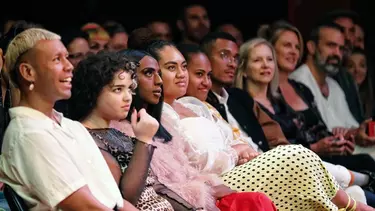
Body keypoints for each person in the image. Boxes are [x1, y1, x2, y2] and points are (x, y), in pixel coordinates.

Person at [147, 39, 369, 210]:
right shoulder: (159, 114)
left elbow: (233, 138)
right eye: (171, 68)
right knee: (295, 156)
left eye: (183, 66)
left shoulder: (194, 104)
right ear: (154, 74)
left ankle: (351, 201)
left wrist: (243, 150)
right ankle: (351, 204)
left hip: (240, 169)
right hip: (214, 184)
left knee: (298, 170)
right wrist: (234, 154)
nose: (181, 74)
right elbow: (186, 163)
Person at [111, 49, 277, 211]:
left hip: (204, 192)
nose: (158, 80)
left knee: (258, 199)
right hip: (185, 202)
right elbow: (139, 193)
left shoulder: (167, 121)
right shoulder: (121, 130)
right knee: (290, 161)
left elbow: (188, 171)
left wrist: (210, 186)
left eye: (158, 73)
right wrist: (209, 189)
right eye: (149, 73)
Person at [0, 28, 136, 210]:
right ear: (28, 72)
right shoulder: (29, 133)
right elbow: (86, 207)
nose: (69, 66)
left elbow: (115, 200)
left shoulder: (73, 127)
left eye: (66, 57)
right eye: (57, 59)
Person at [68, 51, 174, 210]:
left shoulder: (115, 133)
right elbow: (125, 199)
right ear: (93, 91)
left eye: (129, 89)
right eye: (118, 89)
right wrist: (144, 140)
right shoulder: (84, 138)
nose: (128, 97)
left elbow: (157, 188)